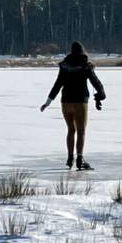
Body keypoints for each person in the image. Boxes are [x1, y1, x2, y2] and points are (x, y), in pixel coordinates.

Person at [39, 42, 106, 170]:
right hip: (80, 101)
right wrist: (101, 94)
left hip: (66, 102)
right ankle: (80, 159)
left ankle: (70, 158)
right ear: (82, 52)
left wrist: (47, 102)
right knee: (81, 130)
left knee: (71, 129)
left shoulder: (64, 66)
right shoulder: (86, 66)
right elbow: (95, 82)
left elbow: (57, 85)